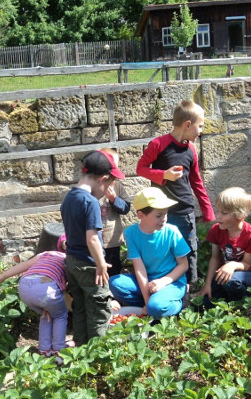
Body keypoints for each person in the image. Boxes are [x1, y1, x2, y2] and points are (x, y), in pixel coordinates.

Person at [136, 99, 214, 287]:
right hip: (160, 211)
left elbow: (197, 182)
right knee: (163, 248)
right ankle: (166, 284)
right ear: (188, 125)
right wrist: (164, 175)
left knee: (189, 248)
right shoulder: (158, 144)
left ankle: (191, 286)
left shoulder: (191, 150)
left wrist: (207, 211)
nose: (201, 131)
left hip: (184, 210)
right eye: (200, 126)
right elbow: (141, 168)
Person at [61, 149, 125, 345]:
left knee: (80, 307)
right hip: (90, 265)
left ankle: (82, 349)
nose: (107, 190)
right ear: (103, 179)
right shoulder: (90, 202)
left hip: (72, 263)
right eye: (109, 184)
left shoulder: (69, 197)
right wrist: (101, 264)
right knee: (99, 310)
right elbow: (92, 239)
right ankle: (98, 355)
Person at [109, 187, 190, 320]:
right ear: (141, 215)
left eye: (165, 214)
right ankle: (152, 305)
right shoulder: (131, 233)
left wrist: (163, 281)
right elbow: (139, 269)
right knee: (115, 283)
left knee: (155, 307)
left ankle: (178, 303)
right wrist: (147, 300)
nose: (164, 219)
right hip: (149, 282)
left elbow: (184, 265)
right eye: (158, 216)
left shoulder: (172, 231)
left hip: (172, 281)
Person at [0, 235, 70, 358]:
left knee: (45, 314)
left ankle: (44, 350)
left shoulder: (45, 254)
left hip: (24, 285)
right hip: (46, 287)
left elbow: (25, 264)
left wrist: (3, 276)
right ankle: (59, 352)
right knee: (60, 315)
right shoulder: (68, 260)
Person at [196, 187, 251, 305]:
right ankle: (231, 296)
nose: (218, 216)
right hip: (224, 274)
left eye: (224, 213)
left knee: (232, 281)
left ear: (240, 214)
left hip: (250, 274)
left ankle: (245, 300)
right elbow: (215, 258)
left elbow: (247, 265)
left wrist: (232, 265)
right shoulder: (216, 230)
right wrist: (207, 284)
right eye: (218, 211)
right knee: (205, 303)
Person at [99, 148, 132, 277]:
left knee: (114, 267)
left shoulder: (117, 187)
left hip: (112, 239)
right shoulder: (93, 188)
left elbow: (126, 208)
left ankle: (114, 289)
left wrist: (114, 200)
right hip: (97, 239)